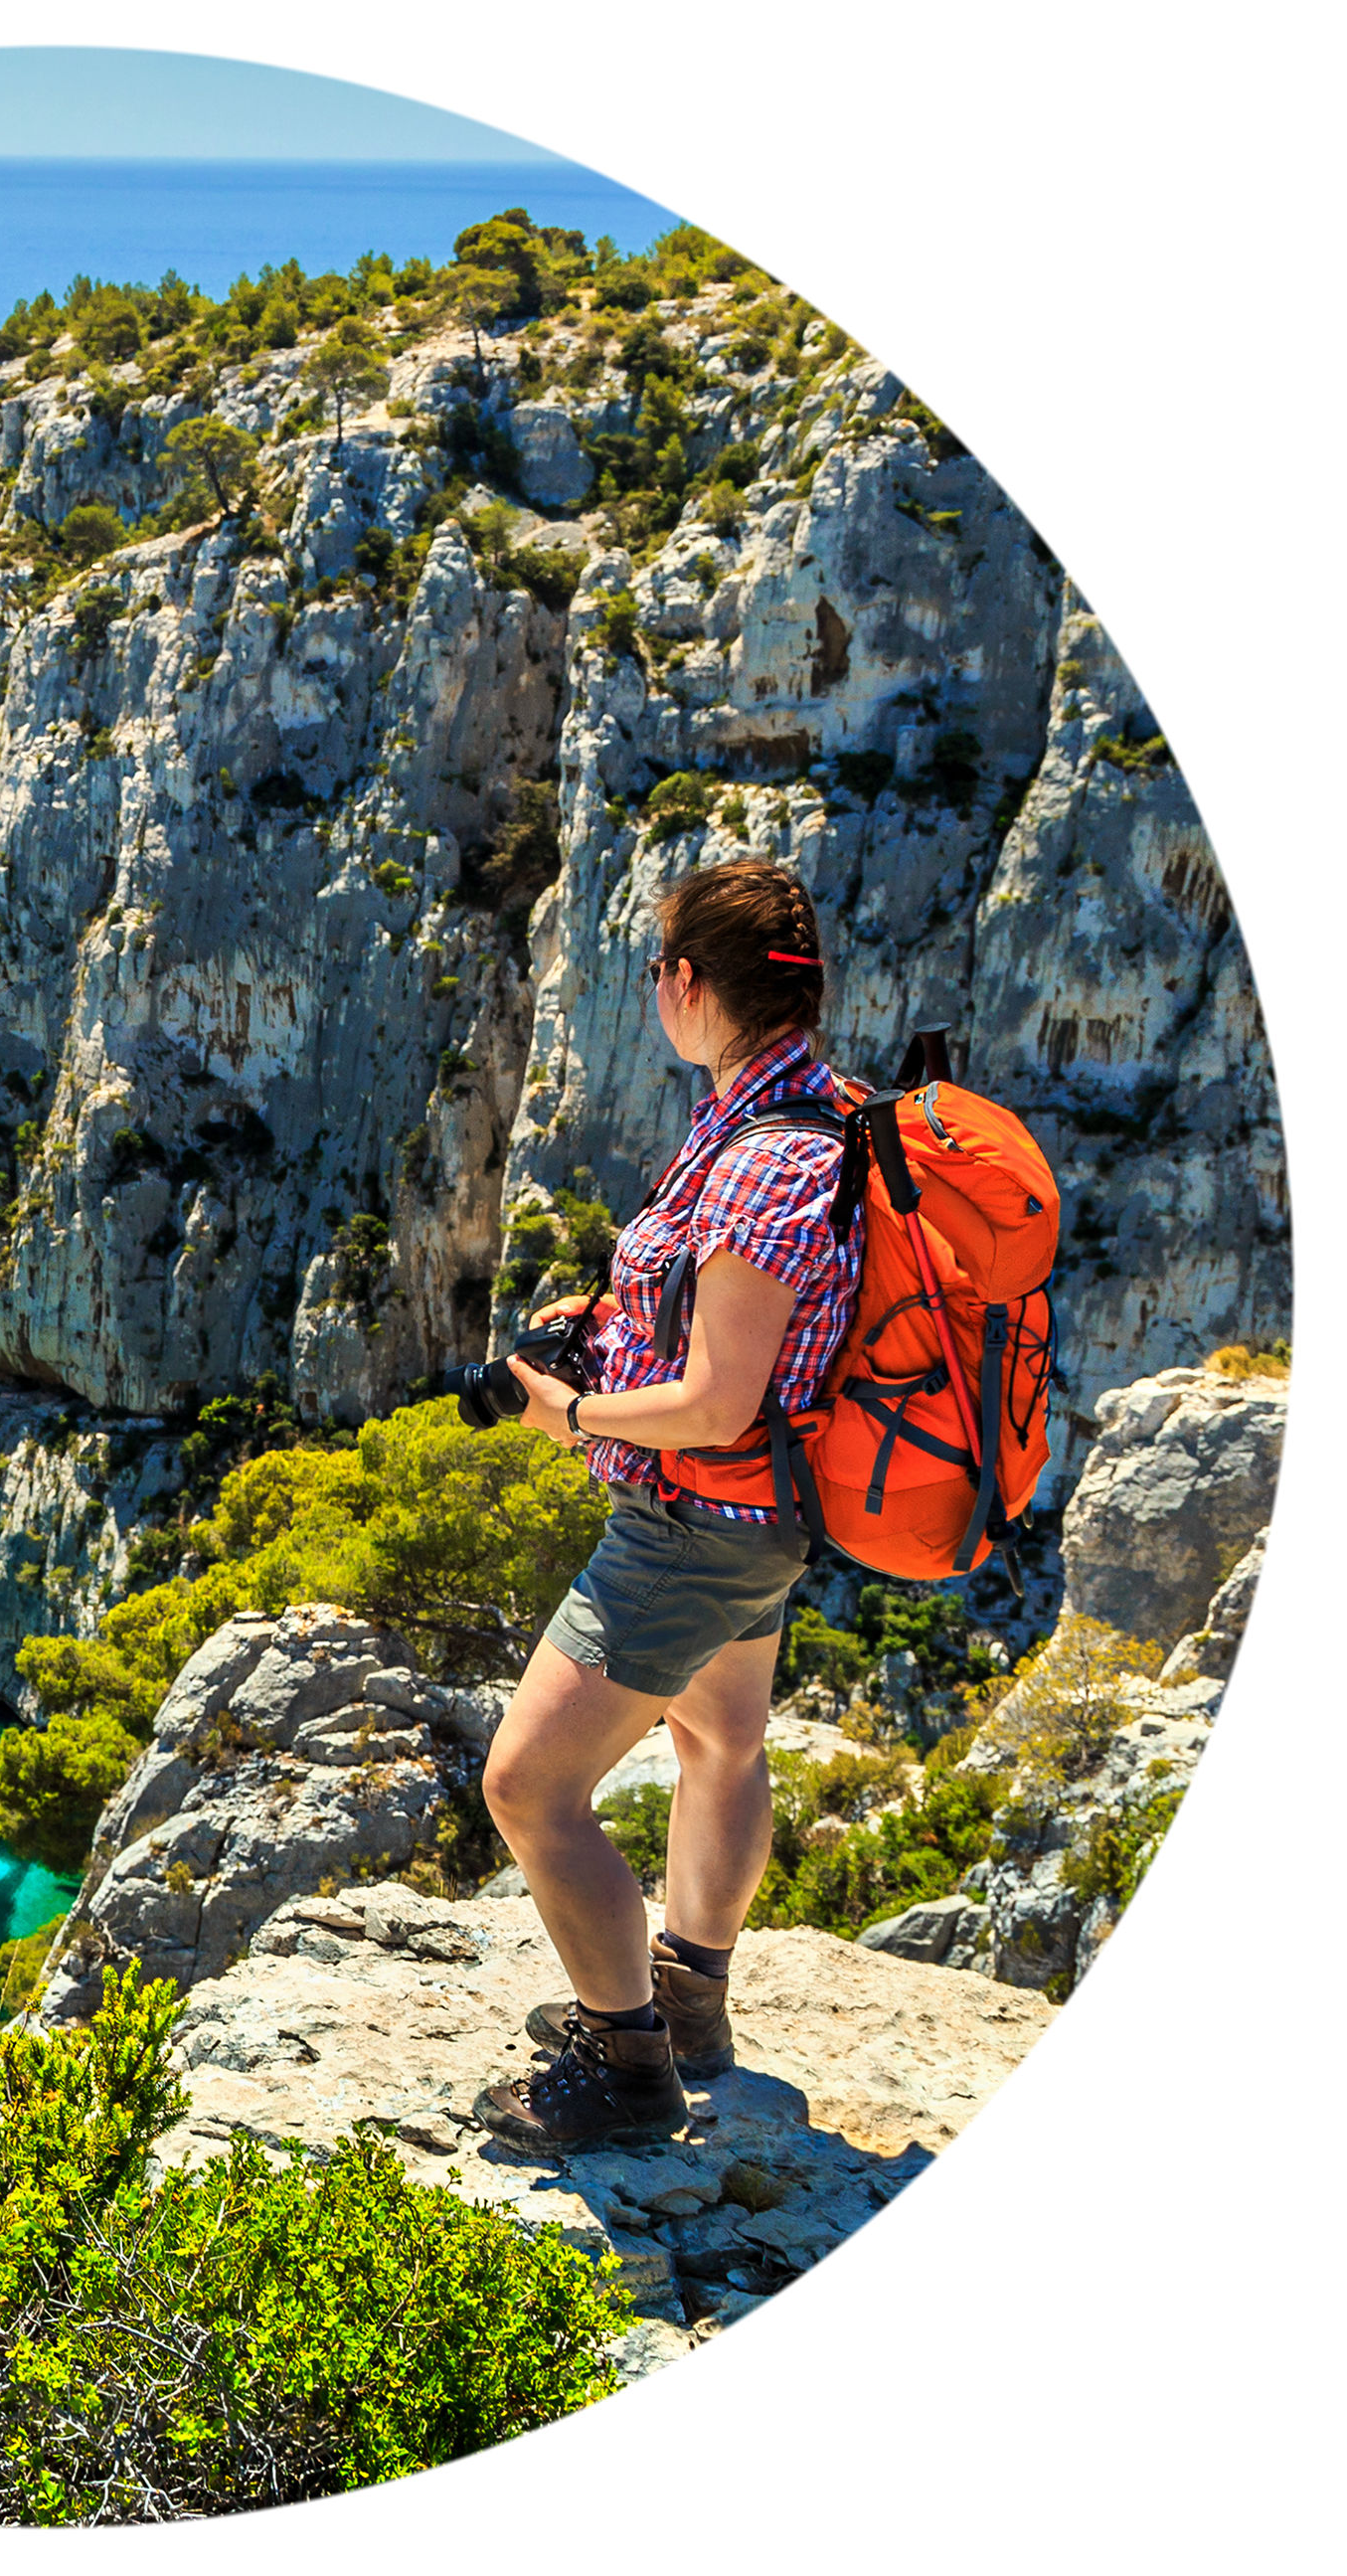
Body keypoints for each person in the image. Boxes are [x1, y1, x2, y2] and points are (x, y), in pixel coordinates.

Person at [471, 861, 862, 2151]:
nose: (652, 993)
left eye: (655, 971)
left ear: (688, 983)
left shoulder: (770, 1160)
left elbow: (715, 1401)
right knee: (722, 1741)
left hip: (694, 1524)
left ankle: (625, 2066)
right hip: (760, 1524)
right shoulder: (792, 1110)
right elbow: (723, 1311)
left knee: (529, 1787)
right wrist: (606, 1324)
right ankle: (688, 2001)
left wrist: (568, 1413)